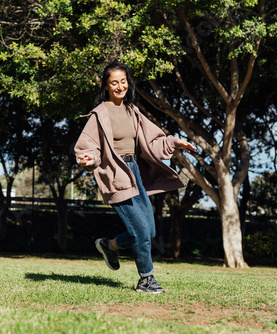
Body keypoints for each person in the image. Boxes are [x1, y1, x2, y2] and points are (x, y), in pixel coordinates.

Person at [75, 63, 196, 293]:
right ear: (106, 86)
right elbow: (88, 145)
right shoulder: (99, 114)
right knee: (140, 232)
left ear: (127, 83)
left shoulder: (133, 111)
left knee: (148, 231)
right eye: (114, 82)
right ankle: (146, 280)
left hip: (135, 172)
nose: (120, 86)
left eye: (123, 81)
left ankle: (109, 246)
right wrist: (89, 159)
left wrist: (174, 142)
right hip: (115, 174)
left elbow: (152, 141)